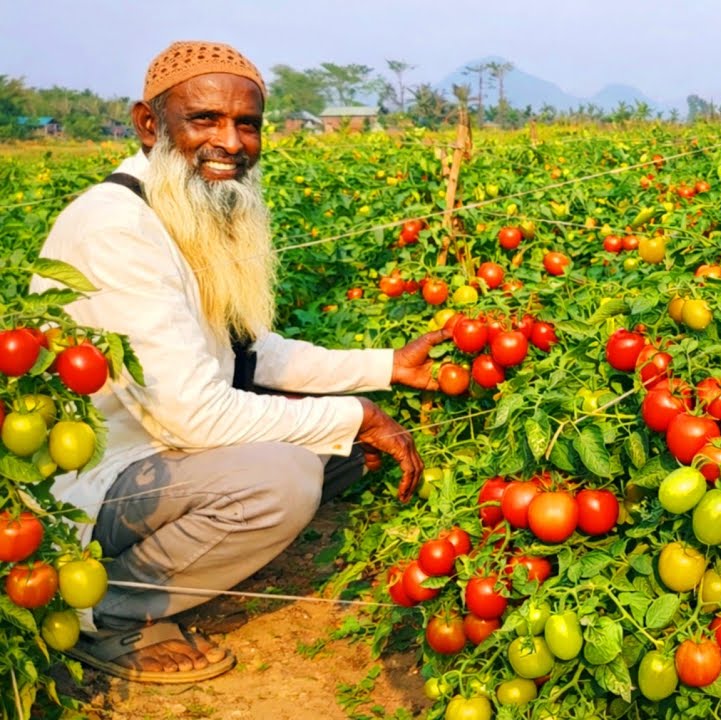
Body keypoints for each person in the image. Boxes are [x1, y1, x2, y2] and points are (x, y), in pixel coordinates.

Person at [30, 40, 447, 683]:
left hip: (161, 450)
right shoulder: (118, 230)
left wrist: (386, 366)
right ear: (150, 124)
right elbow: (193, 415)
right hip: (100, 478)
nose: (231, 141)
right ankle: (108, 611)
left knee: (330, 446)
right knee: (282, 477)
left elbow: (250, 350)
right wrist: (355, 415)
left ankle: (175, 561)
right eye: (205, 119)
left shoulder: (182, 206)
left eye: (246, 124)